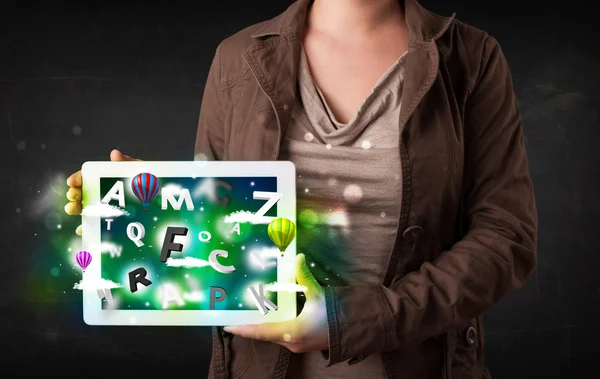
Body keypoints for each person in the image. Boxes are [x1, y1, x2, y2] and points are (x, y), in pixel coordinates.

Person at [65, 0, 539, 378]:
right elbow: (218, 236)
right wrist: (150, 204)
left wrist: (345, 322)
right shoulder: (237, 58)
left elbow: (505, 238)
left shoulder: (472, 58)